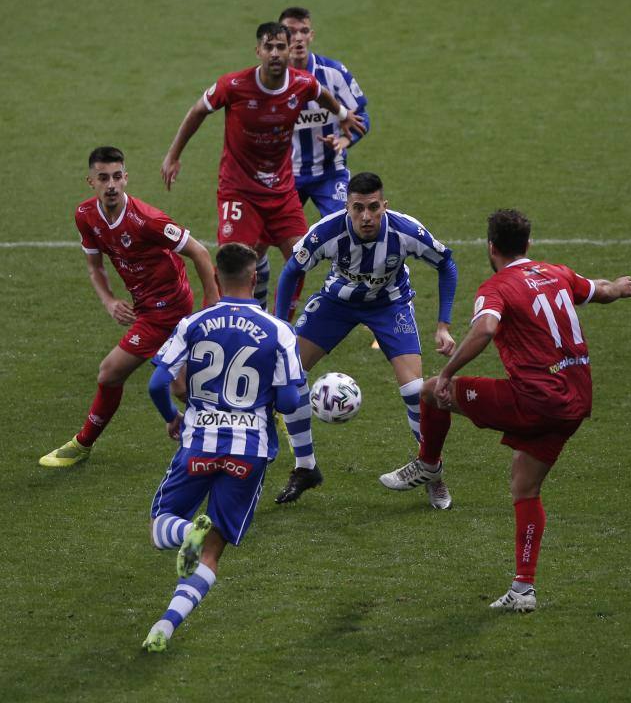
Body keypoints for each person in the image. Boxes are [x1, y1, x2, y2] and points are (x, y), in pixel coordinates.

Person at [380, 209, 631, 612]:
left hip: (535, 398)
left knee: (431, 392)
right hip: (575, 400)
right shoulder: (557, 272)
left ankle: (428, 464)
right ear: (528, 245)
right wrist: (619, 288)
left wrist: (448, 372)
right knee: (524, 486)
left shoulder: (496, 287)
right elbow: (599, 290)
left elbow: (484, 329)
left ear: (491, 247)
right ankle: (523, 589)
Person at [141, 243, 308, 652]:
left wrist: (171, 417)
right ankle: (166, 623)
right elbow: (288, 403)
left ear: (215, 276)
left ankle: (184, 530)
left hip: (198, 443)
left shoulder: (194, 323)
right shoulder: (279, 331)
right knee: (213, 548)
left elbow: (158, 383)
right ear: (255, 278)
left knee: (159, 526)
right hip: (248, 452)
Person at [273, 171, 458, 504]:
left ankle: (432, 471)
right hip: (336, 304)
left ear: (384, 205)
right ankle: (305, 467)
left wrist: (443, 324)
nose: (366, 216)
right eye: (358, 208)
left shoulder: (405, 231)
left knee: (417, 392)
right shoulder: (327, 232)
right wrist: (279, 323)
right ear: (347, 207)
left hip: (389, 305)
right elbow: (291, 272)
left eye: (373, 207)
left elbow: (447, 264)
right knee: (288, 375)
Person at [160, 22, 366, 316]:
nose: (274, 53)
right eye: (268, 47)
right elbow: (198, 111)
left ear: (287, 50)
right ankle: (216, 321)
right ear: (258, 51)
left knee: (300, 258)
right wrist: (173, 155)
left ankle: (279, 325)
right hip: (239, 190)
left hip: (282, 191)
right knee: (234, 264)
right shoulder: (233, 86)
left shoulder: (300, 83)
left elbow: (320, 92)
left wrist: (343, 114)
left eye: (280, 47)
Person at [39, 146, 219, 468]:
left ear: (126, 179)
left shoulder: (147, 220)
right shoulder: (86, 216)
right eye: (103, 178)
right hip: (146, 307)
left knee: (111, 373)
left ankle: (82, 444)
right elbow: (95, 267)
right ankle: (233, 424)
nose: (111, 185)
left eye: (117, 177)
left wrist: (211, 304)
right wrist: (109, 301)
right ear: (90, 181)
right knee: (181, 384)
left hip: (168, 309)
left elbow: (200, 253)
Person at [279, 6, 370, 218]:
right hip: (286, 175)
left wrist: (344, 142)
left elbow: (363, 117)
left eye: (304, 31)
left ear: (311, 35)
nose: (298, 38)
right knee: (263, 238)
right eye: (291, 31)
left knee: (344, 230)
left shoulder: (333, 73)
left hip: (330, 171)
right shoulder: (272, 80)